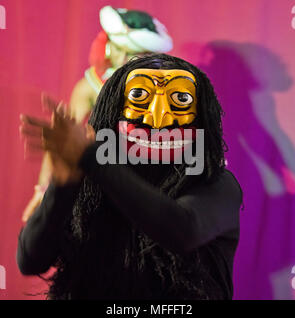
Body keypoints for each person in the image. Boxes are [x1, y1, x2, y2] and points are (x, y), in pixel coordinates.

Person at [18, 54, 242, 300]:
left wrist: (92, 158)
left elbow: (182, 230)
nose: (157, 119)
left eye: (180, 99)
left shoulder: (216, 185)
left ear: (201, 118)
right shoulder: (85, 181)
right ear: (112, 113)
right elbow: (31, 259)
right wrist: (62, 186)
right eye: (138, 97)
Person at [21, 5, 173, 222]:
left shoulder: (167, 94)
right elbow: (61, 138)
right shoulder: (90, 88)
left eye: (131, 54)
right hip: (100, 187)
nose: (121, 60)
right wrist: (43, 190)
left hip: (147, 190)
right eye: (117, 49)